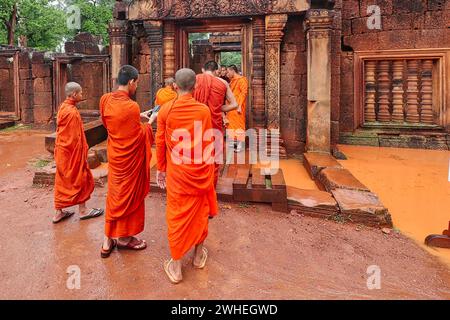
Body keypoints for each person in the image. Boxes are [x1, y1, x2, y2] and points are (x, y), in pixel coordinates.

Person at [156, 68, 218, 284]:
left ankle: (175, 265)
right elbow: (208, 143)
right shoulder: (203, 111)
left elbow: (161, 141)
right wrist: (209, 170)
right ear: (196, 86)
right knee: (201, 211)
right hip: (199, 172)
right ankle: (198, 255)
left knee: (177, 215)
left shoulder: (165, 110)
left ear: (175, 86)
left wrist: (161, 168)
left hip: (178, 173)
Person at [99, 65, 156, 258]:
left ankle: (108, 240)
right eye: (137, 82)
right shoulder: (132, 106)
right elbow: (138, 136)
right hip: (129, 161)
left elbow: (110, 124)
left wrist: (136, 117)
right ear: (131, 81)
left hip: (115, 157)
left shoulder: (105, 99)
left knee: (115, 196)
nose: (137, 86)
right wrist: (149, 124)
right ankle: (124, 238)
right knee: (129, 197)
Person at [53, 82, 103, 224]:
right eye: (81, 93)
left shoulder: (63, 107)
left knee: (61, 180)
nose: (82, 95)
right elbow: (75, 138)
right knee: (81, 177)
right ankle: (83, 210)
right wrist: (83, 152)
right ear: (74, 94)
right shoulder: (72, 112)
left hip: (62, 152)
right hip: (72, 153)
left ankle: (58, 213)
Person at [193, 60, 239, 187]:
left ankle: (197, 179)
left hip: (196, 122)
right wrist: (217, 108)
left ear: (204, 69)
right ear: (216, 71)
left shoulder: (194, 79)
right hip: (214, 123)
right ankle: (211, 183)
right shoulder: (223, 82)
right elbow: (235, 104)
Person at [226, 65, 249, 153]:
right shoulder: (232, 81)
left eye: (228, 72)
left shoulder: (242, 80)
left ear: (232, 71)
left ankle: (240, 146)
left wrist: (239, 106)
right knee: (231, 125)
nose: (227, 74)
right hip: (231, 107)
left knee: (239, 126)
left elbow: (244, 93)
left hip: (238, 107)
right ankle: (234, 144)